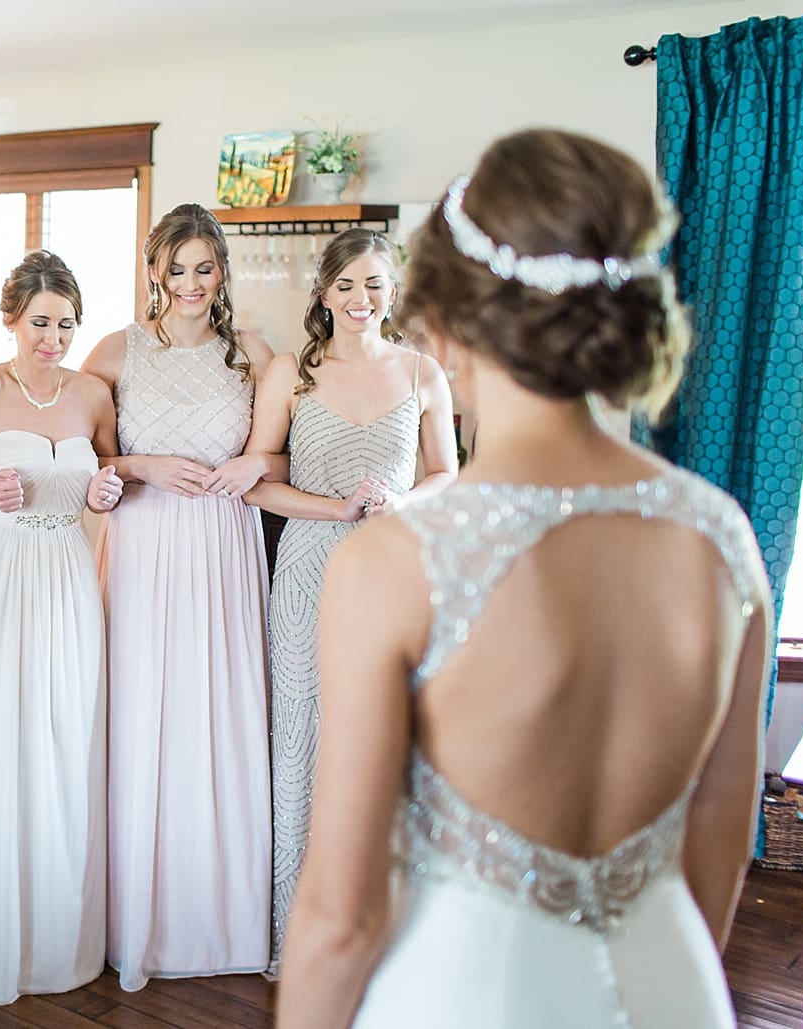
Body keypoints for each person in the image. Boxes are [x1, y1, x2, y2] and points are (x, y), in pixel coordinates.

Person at [275, 128, 772, 1029]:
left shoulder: (394, 560)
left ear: (444, 320)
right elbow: (717, 850)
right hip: (674, 990)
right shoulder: (718, 536)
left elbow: (342, 920)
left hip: (467, 998)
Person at [241, 227, 458, 968]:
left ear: (393, 291)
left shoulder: (423, 372)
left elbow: (446, 475)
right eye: (346, 285)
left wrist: (401, 501)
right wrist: (334, 509)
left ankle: (386, 934)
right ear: (324, 292)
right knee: (303, 734)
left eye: (374, 284)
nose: (360, 298)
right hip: (308, 569)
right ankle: (303, 934)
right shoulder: (290, 373)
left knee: (388, 734)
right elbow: (257, 481)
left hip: (393, 570)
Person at [80, 203, 276, 989]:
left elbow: (282, 449)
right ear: (153, 272)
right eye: (176, 269)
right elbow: (80, 456)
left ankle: (220, 918)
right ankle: (139, 916)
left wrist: (255, 464)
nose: (190, 283)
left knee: (218, 708)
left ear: (221, 271)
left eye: (204, 268)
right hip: (142, 542)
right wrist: (141, 466)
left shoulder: (251, 353)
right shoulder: (113, 351)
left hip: (223, 545)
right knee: (141, 709)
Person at [0, 249, 122, 1004]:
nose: (53, 338)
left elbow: (110, 477)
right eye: (40, 322)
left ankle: (61, 936)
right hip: (0, 579)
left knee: (68, 733)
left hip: (69, 576)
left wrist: (104, 491)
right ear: (10, 319)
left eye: (66, 324)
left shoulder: (93, 395)